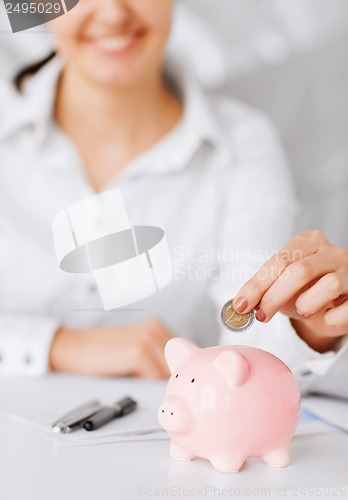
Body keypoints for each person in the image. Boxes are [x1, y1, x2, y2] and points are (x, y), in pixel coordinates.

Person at [0, 0, 347, 397]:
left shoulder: (242, 145)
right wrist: (57, 344)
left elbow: (252, 350)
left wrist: (308, 331)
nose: (113, 13)